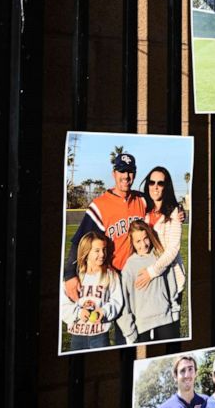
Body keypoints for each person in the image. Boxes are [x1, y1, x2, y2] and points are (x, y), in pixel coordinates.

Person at [63, 151, 146, 302]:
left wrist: (176, 207)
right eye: (122, 171)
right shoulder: (100, 205)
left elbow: (163, 202)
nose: (126, 176)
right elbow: (79, 241)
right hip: (116, 276)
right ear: (114, 173)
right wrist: (69, 275)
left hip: (140, 273)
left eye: (130, 171)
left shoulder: (142, 199)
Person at [137, 166, 187, 329]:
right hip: (149, 281)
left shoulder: (174, 212)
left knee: (169, 330)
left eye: (160, 183)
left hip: (170, 280)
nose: (155, 187)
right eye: (152, 182)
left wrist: (152, 272)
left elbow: (173, 249)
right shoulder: (143, 211)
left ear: (167, 186)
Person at [119, 220, 181, 343]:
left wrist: (174, 311)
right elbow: (124, 303)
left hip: (165, 319)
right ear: (132, 242)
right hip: (142, 326)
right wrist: (130, 331)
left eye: (145, 238)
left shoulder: (159, 257)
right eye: (138, 241)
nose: (143, 244)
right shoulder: (129, 267)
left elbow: (171, 284)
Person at [60, 233, 123, 352]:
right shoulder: (74, 277)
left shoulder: (110, 275)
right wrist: (78, 313)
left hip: (100, 335)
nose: (102, 254)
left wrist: (103, 311)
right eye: (97, 251)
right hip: (77, 335)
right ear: (86, 252)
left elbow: (116, 301)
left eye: (104, 250)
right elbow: (63, 305)